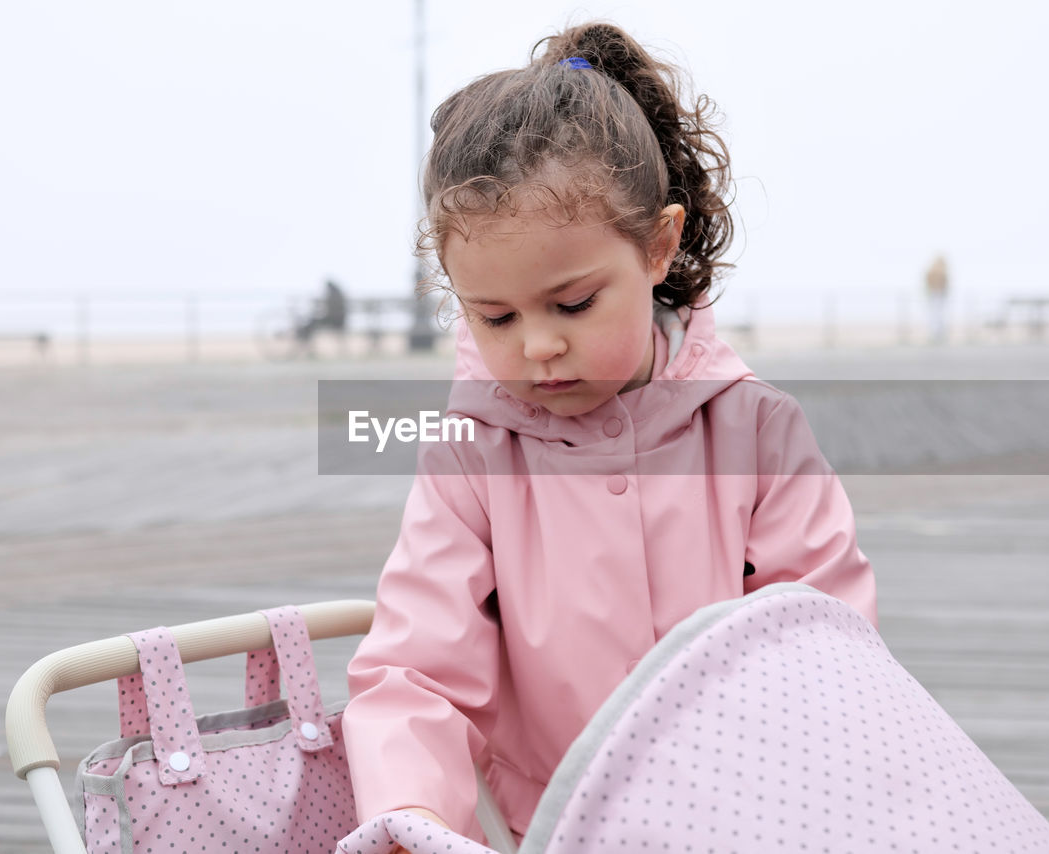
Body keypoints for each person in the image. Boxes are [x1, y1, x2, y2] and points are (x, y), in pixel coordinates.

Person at [340, 21, 877, 849]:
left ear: (658, 245)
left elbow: (827, 644)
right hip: (562, 829)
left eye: (574, 303)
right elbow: (416, 668)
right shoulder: (475, 453)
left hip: (757, 821)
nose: (538, 346)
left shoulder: (756, 428)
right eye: (496, 316)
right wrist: (408, 813)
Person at [925, 254, 950, 344]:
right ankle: (937, 334)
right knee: (938, 315)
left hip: (935, 295)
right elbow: (944, 284)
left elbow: (928, 282)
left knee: (936, 315)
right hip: (937, 295)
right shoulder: (940, 271)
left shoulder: (932, 271)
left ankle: (936, 334)